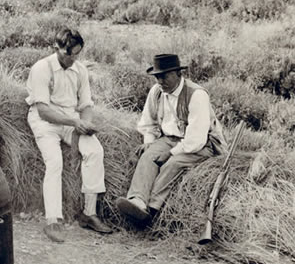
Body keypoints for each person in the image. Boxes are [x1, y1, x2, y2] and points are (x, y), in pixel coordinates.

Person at [116, 53, 226, 227]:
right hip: (169, 138)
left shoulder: (197, 95)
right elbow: (148, 123)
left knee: (172, 164)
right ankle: (137, 201)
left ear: (178, 74)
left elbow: (196, 139)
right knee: (148, 156)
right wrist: (149, 142)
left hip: (202, 144)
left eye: (164, 76)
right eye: (157, 77)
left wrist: (171, 153)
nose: (160, 81)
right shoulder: (157, 92)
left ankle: (151, 210)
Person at [26, 27, 112, 242]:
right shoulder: (41, 68)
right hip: (44, 121)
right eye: (69, 54)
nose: (73, 59)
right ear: (57, 49)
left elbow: (86, 105)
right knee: (55, 162)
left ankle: (89, 213)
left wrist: (84, 125)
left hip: (70, 120)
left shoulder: (80, 70)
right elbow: (44, 111)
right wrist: (75, 122)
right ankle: (53, 220)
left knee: (95, 150)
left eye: (77, 54)